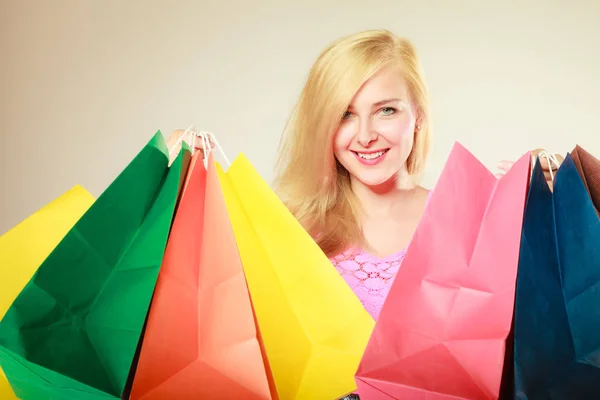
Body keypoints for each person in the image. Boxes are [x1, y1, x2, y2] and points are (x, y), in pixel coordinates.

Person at [167, 29, 562, 322]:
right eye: (345, 114)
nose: (366, 135)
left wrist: (553, 208)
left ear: (418, 116)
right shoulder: (288, 225)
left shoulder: (475, 217)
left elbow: (541, 323)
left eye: (386, 110)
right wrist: (174, 175)